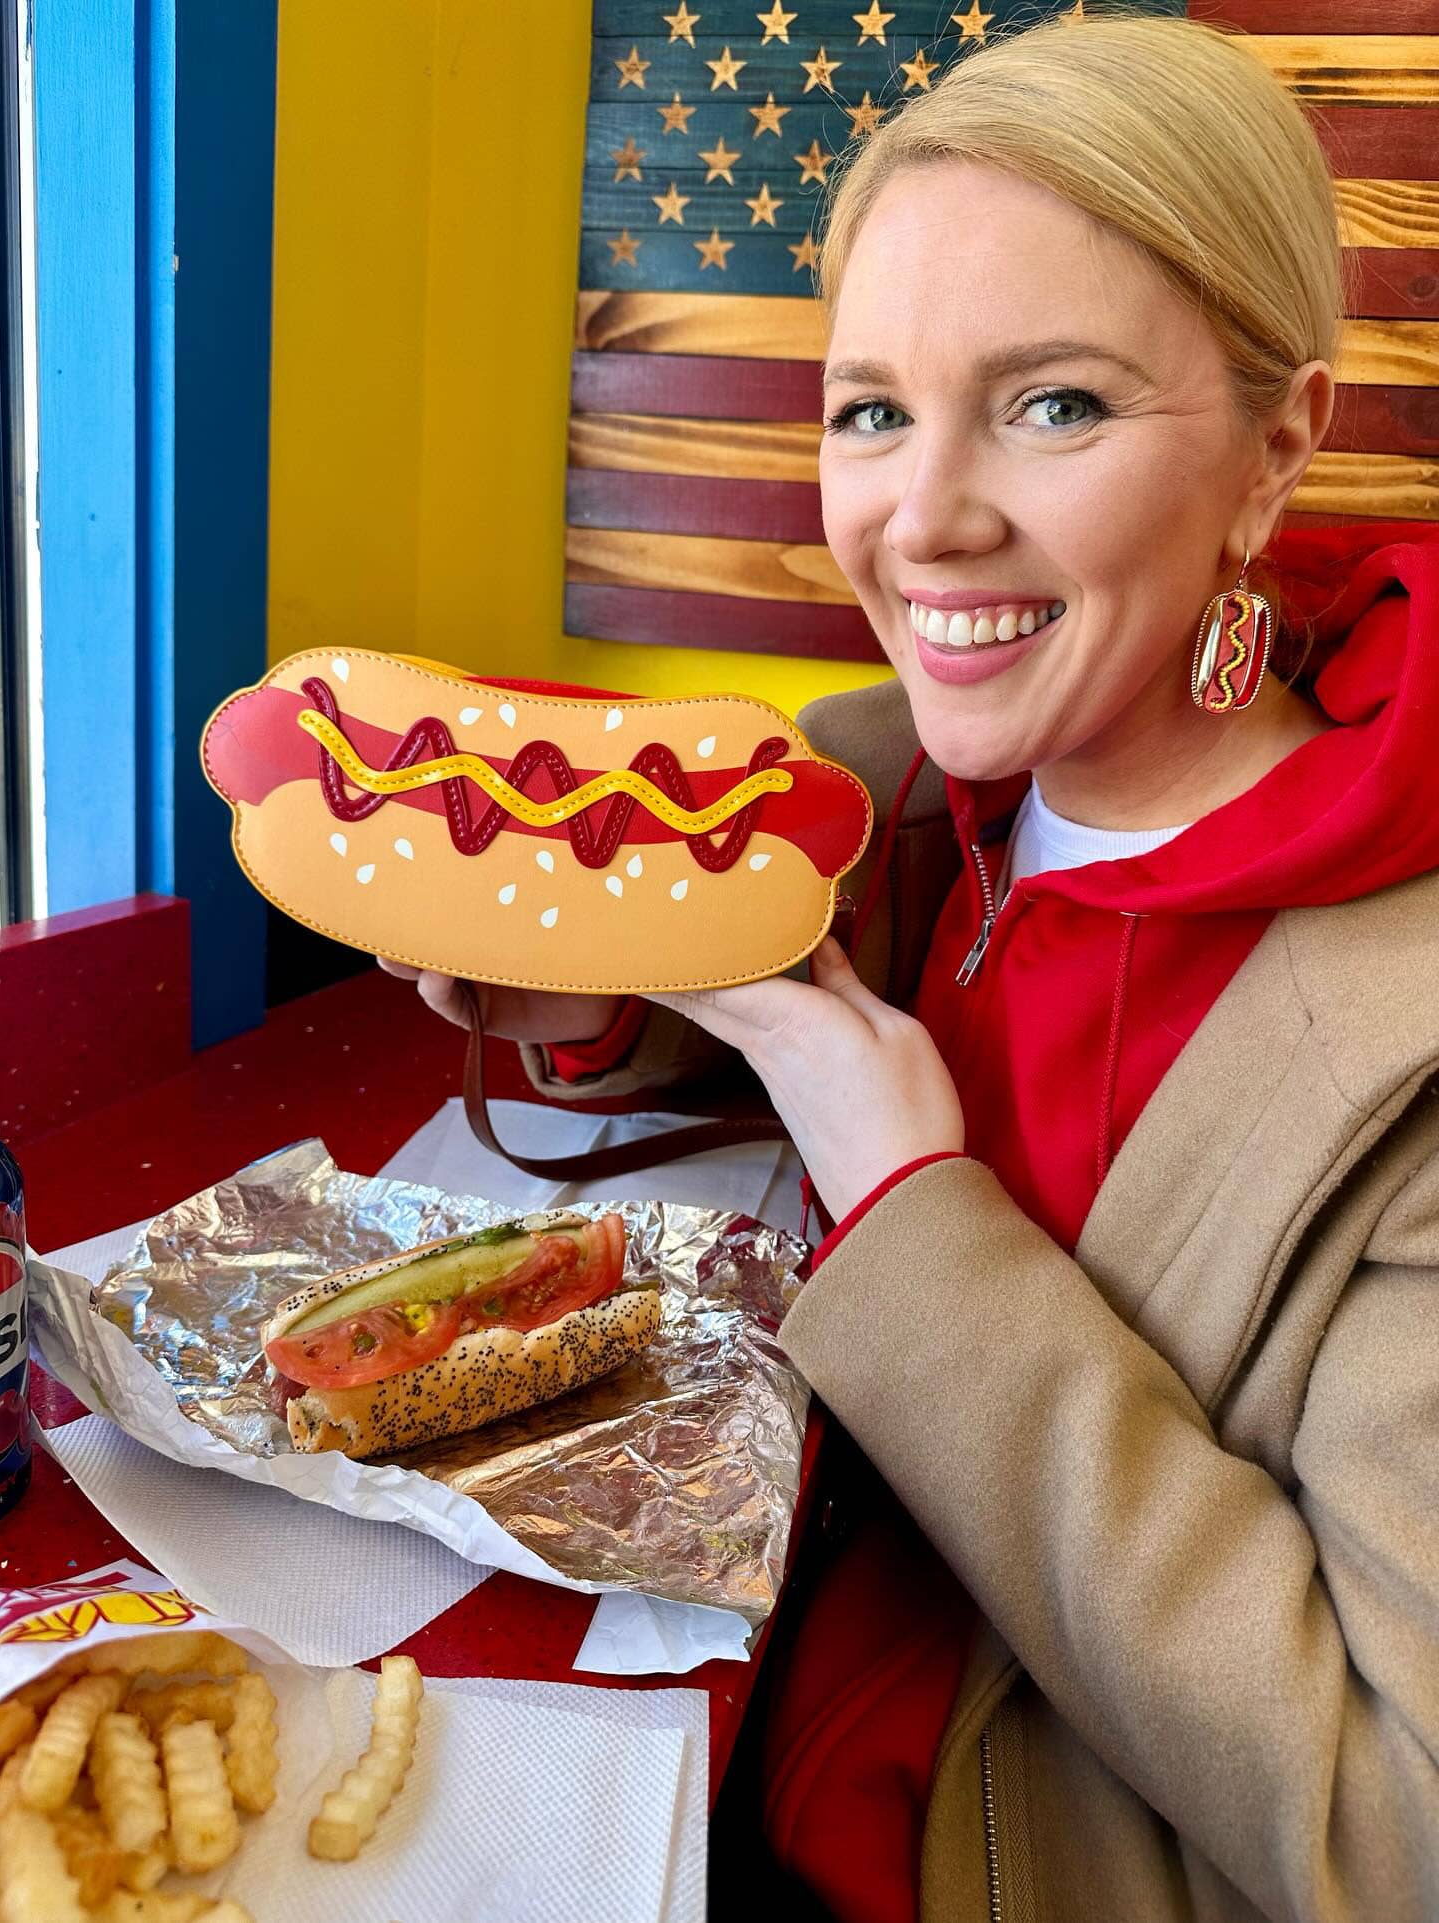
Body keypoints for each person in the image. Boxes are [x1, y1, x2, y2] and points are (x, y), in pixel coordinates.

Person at [382, 16, 1439, 1920]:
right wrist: (611, 1010)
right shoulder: (905, 786)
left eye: (1054, 406)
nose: (921, 517)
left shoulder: (1408, 1051)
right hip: (730, 1687)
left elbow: (1385, 1825)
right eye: (870, 409)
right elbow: (832, 1013)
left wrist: (910, 1205)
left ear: (1278, 449)